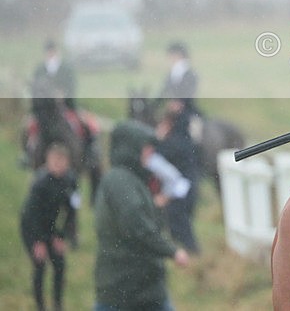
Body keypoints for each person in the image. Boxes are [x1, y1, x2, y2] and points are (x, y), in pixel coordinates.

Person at [93, 120, 190, 311]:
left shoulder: (129, 179)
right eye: (146, 147)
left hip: (141, 288)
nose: (151, 152)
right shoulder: (120, 181)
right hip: (125, 289)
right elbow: (137, 226)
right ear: (131, 149)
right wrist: (172, 251)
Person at [19, 142, 78, 311]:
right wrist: (38, 242)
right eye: (54, 161)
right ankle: (40, 306)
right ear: (47, 161)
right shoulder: (40, 182)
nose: (58, 166)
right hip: (32, 227)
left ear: (67, 162)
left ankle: (58, 305)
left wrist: (61, 236)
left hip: (51, 226)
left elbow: (71, 211)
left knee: (59, 264)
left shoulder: (70, 180)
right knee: (40, 265)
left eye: (62, 161)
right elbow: (31, 215)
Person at [155, 98, 202, 254]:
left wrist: (159, 140)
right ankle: (182, 248)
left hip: (185, 183)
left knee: (179, 216)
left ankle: (192, 250)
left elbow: (169, 152)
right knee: (175, 217)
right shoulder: (176, 130)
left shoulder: (180, 134)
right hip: (182, 182)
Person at [160, 41, 199, 116]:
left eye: (172, 55)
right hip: (170, 110)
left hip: (187, 110)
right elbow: (163, 92)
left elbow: (190, 93)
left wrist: (179, 103)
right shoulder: (170, 74)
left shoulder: (190, 74)